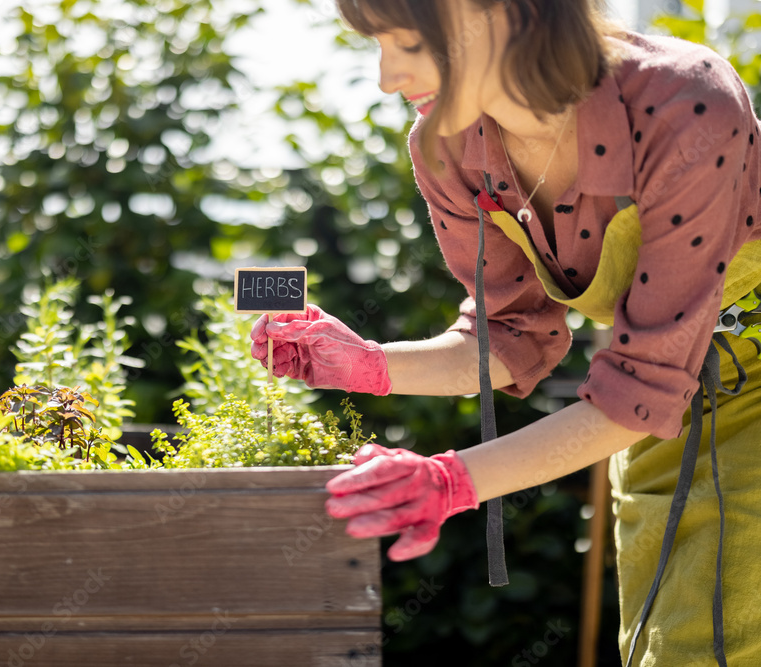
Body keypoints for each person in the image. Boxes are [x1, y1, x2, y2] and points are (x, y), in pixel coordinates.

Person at [248, 1, 761, 665]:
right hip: (662, 410)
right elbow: (511, 336)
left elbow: (643, 388)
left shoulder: (686, 103)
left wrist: (448, 480)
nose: (385, 78)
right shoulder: (450, 146)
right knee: (661, 642)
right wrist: (369, 363)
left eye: (403, 43)